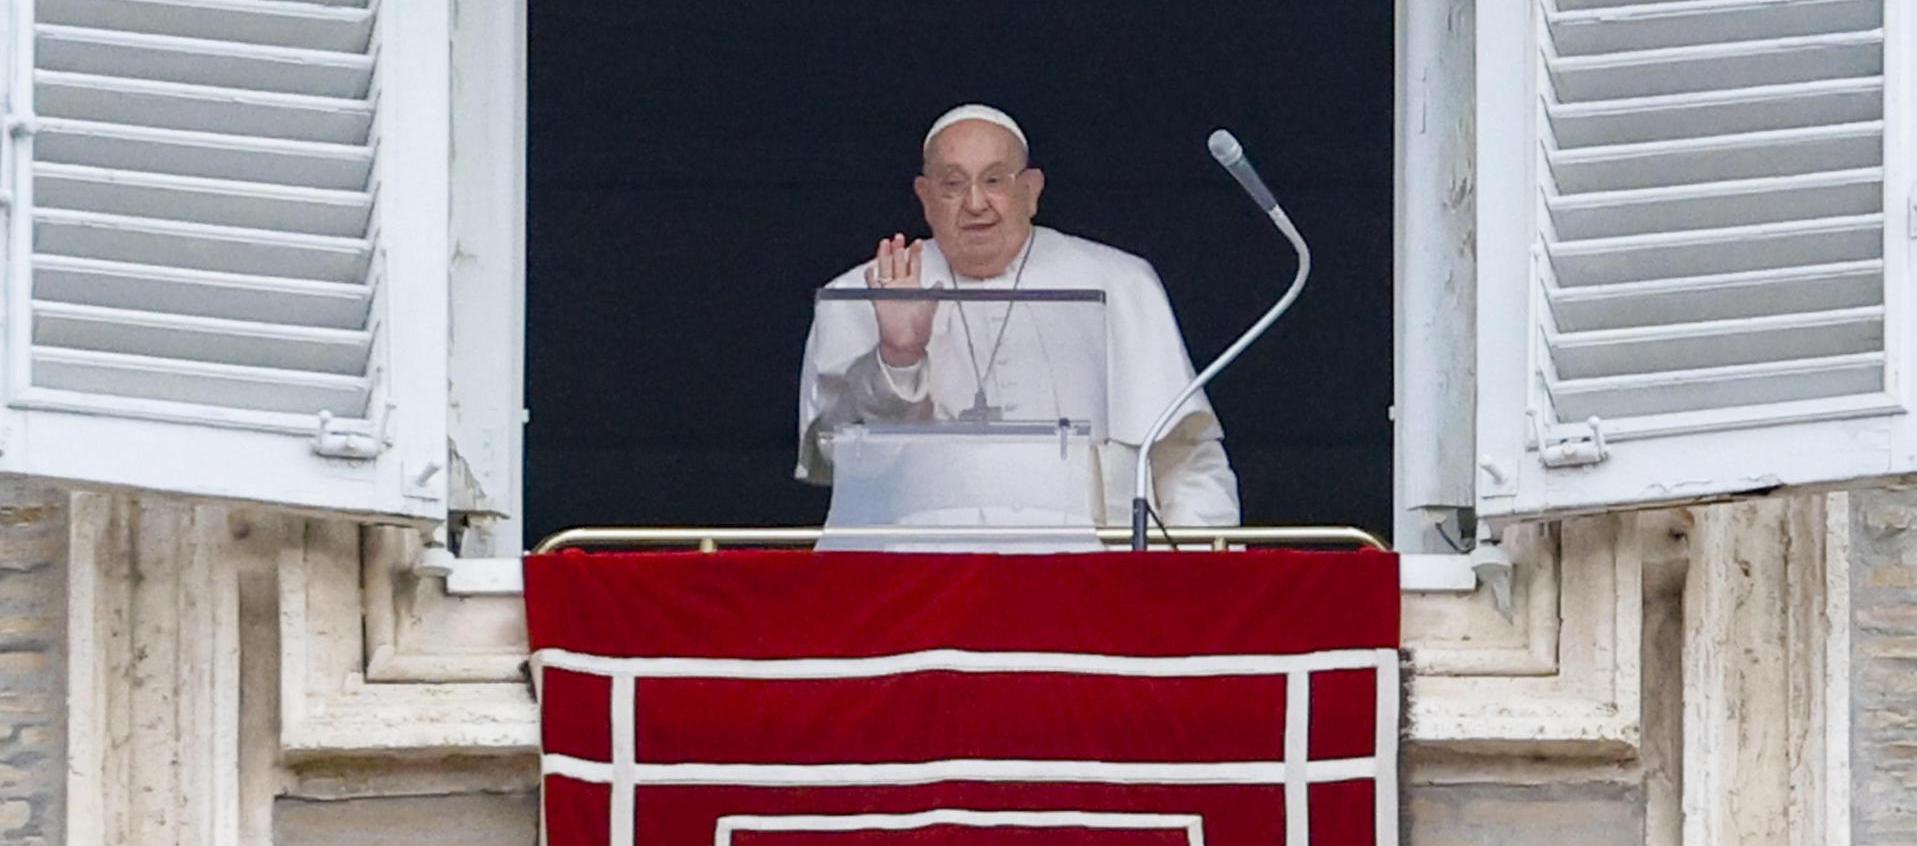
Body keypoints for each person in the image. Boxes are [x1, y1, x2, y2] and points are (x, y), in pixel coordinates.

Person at [796, 104, 1239, 527]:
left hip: (1093, 578)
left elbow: (1185, 458)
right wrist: (898, 356)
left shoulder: (1121, 282)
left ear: (1031, 190)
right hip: (921, 582)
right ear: (925, 197)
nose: (975, 203)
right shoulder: (861, 292)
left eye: (994, 180)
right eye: (952, 184)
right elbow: (842, 459)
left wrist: (1195, 581)